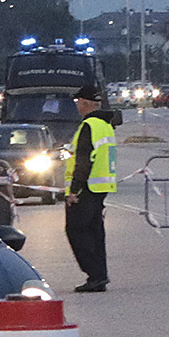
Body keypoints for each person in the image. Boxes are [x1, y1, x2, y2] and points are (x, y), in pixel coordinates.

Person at [62, 81, 119, 292]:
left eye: (78, 101)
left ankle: (94, 275)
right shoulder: (105, 125)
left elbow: (84, 161)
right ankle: (100, 276)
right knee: (95, 232)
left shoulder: (88, 126)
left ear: (85, 103)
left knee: (76, 230)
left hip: (86, 188)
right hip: (100, 187)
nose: (77, 105)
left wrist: (74, 190)